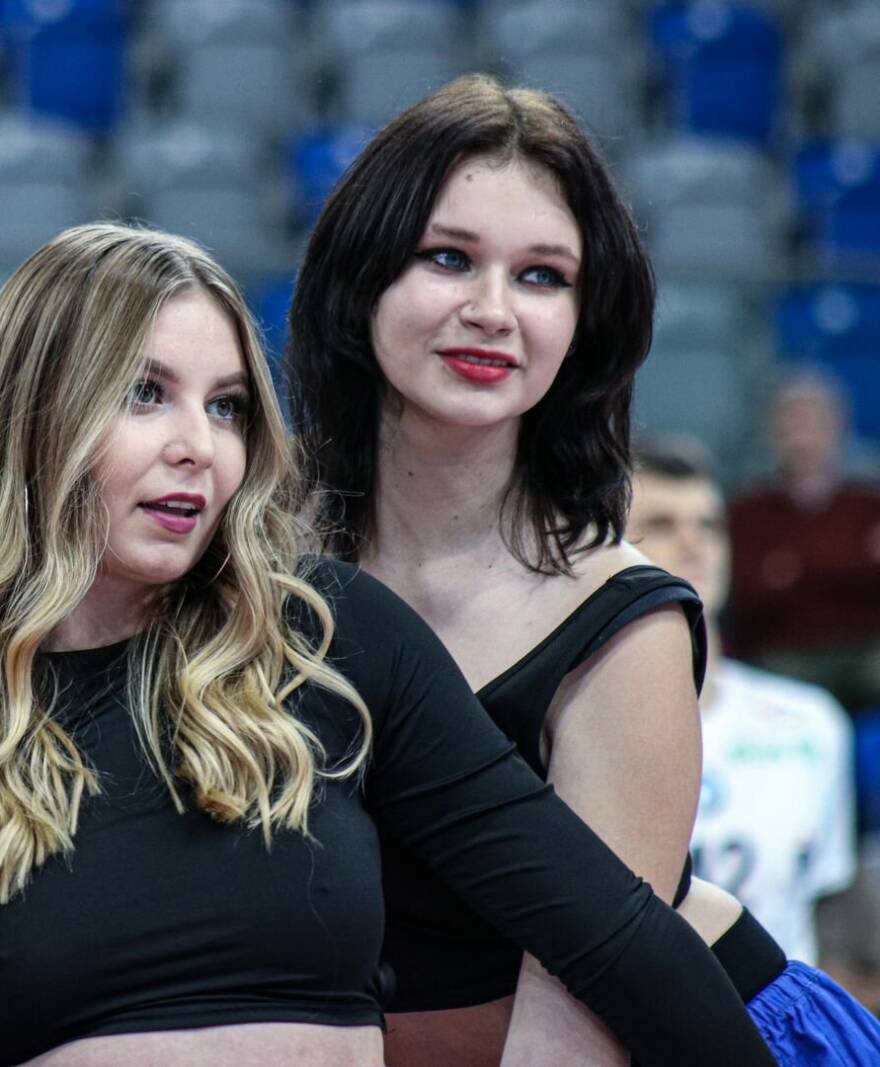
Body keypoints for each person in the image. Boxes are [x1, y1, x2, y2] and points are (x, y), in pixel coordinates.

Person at [0, 222, 774, 1067]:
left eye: (226, 406)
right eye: (144, 394)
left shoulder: (327, 639)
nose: (198, 447)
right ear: (35, 418)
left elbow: (610, 930)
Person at [288, 73, 880, 1065]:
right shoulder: (253, 558)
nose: (492, 310)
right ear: (362, 277)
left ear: (584, 319)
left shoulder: (624, 621)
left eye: (542, 276)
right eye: (448, 257)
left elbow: (573, 1032)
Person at [630, 437, 855, 965]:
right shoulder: (566, 730)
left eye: (709, 525)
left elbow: (827, 915)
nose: (695, 545)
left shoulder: (812, 723)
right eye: (662, 524)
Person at [727, 370, 880, 715]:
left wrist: (795, 568)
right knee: (780, 686)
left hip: (866, 646)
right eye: (791, 423)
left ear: (837, 427)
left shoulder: (869, 504)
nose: (802, 436)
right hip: (787, 649)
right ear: (771, 432)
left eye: (813, 422)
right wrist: (856, 560)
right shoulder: (748, 512)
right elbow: (751, 593)